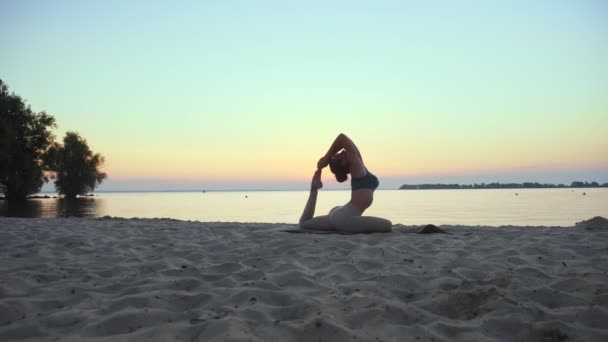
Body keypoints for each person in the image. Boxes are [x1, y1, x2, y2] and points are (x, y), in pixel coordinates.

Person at [298, 133, 392, 233]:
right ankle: (314, 189)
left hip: (341, 214)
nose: (342, 151)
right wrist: (326, 158)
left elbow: (347, 141)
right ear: (343, 163)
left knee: (304, 223)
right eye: (339, 155)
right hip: (344, 218)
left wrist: (327, 158)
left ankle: (314, 190)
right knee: (388, 225)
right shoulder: (355, 166)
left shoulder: (359, 165)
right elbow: (342, 138)